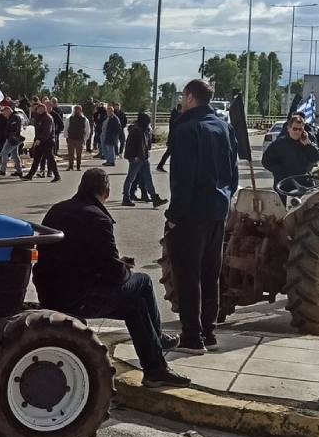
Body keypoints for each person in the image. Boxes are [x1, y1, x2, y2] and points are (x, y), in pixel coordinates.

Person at [34, 168, 190, 388]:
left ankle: (156, 359)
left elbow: (76, 255)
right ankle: (157, 354)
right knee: (143, 282)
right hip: (78, 296)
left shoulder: (57, 210)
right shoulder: (98, 218)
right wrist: (124, 268)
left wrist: (118, 265)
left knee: (135, 305)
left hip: (52, 291)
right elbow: (114, 274)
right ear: (106, 193)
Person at [164, 79, 239, 354]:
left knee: (187, 276)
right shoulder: (224, 128)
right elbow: (233, 173)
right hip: (218, 211)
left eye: (183, 97)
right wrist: (225, 201)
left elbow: (183, 179)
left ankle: (191, 337)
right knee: (211, 274)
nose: (181, 101)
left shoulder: (187, 129)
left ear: (190, 97)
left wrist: (174, 215)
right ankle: (208, 332)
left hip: (191, 213)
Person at [261, 114, 319, 188]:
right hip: (283, 183)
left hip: (303, 183)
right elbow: (266, 161)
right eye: (295, 129)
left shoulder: (306, 142)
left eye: (300, 129)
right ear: (289, 128)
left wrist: (308, 145)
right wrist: (281, 171)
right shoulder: (279, 143)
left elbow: (316, 157)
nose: (297, 132)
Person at [121, 112, 166, 207]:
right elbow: (131, 145)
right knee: (131, 178)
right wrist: (135, 156)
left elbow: (147, 145)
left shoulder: (143, 129)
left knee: (147, 178)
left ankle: (154, 197)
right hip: (137, 158)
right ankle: (126, 197)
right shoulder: (136, 130)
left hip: (143, 157)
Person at [22, 103, 60, 182]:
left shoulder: (47, 118)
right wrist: (36, 140)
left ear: (44, 109)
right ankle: (30, 175)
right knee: (36, 159)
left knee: (50, 159)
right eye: (38, 109)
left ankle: (57, 176)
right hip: (39, 141)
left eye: (40, 109)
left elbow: (47, 131)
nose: (38, 110)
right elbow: (37, 130)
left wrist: (40, 139)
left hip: (47, 142)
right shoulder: (38, 117)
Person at [0, 105, 25, 176]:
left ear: (8, 110)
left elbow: (14, 129)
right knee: (14, 155)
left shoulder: (14, 117)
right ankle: (19, 171)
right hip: (14, 138)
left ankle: (2, 170)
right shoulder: (12, 117)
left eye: (4, 113)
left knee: (4, 153)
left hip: (13, 138)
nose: (4, 115)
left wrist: (9, 135)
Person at [155, 103, 181, 172]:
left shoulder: (175, 115)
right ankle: (161, 165)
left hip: (173, 137)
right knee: (170, 152)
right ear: (180, 109)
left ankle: (160, 165)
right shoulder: (176, 116)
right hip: (174, 137)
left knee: (169, 152)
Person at [66, 106, 89, 171]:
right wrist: (67, 137)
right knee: (71, 154)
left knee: (79, 154)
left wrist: (85, 139)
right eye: (76, 110)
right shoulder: (69, 118)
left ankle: (78, 166)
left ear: (81, 110)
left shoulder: (85, 119)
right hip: (71, 138)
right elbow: (66, 128)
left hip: (80, 139)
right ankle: (70, 166)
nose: (77, 111)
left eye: (78, 110)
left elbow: (87, 130)